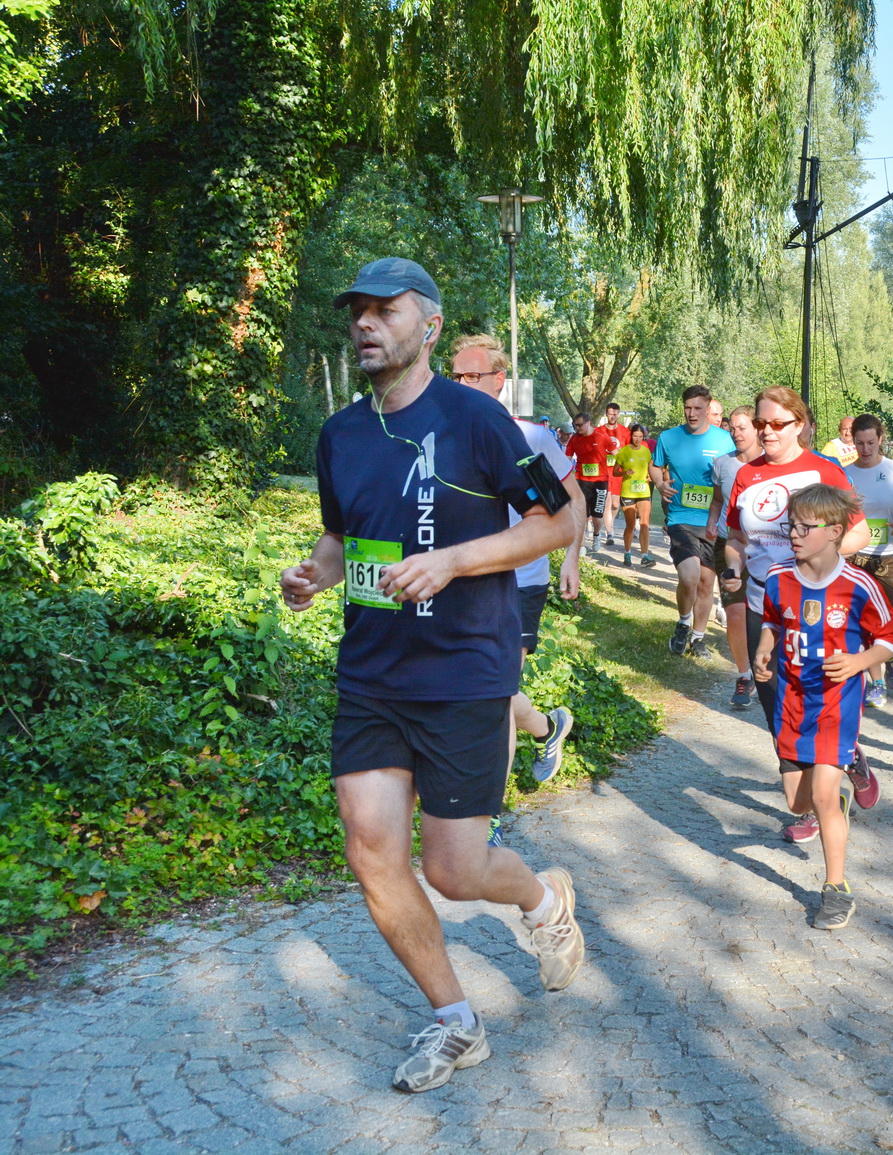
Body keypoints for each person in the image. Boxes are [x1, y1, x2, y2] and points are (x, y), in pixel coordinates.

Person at [279, 258, 584, 1094]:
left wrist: (452, 560)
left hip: (464, 673)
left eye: (386, 309)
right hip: (373, 675)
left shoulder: (478, 419)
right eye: (358, 311)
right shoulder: (341, 434)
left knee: (453, 869)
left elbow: (560, 521)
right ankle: (456, 1020)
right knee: (371, 849)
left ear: (430, 326)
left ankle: (543, 900)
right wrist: (313, 575)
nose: (365, 323)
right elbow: (342, 539)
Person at [722, 387, 878, 839]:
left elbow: (860, 533)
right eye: (761, 423)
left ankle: (835, 771)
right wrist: (732, 567)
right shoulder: (746, 474)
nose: (767, 431)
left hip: (816, 608)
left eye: (777, 424)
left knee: (817, 699)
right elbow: (735, 538)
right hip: (763, 605)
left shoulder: (824, 470)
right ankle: (814, 797)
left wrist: (817, 563)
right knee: (777, 707)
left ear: (800, 425)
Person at [753, 484, 893, 930]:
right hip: (791, 703)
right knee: (799, 803)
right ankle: (844, 779)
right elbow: (773, 618)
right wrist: (765, 647)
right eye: (791, 526)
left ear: (835, 531)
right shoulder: (778, 576)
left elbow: (891, 639)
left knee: (821, 797)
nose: (794, 534)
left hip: (837, 704)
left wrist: (859, 661)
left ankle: (836, 889)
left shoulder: (858, 585)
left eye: (805, 527)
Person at [449, 334, 582, 798]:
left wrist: (571, 559)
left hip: (519, 584)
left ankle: (489, 815)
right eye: (455, 376)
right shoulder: (443, 437)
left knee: (494, 695)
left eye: (472, 376)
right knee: (478, 688)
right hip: (462, 581)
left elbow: (570, 502)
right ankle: (547, 727)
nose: (460, 385)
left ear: (499, 380)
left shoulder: (531, 438)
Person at [651, 385, 735, 657]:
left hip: (713, 521)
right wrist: (660, 483)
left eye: (698, 408)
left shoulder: (725, 440)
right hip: (681, 518)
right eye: (688, 407)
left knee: (706, 583)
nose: (692, 413)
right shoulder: (669, 437)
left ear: (708, 409)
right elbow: (655, 465)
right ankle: (683, 622)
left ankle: (698, 638)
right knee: (689, 576)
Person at [842, 414, 893, 706]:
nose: (865, 449)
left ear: (880, 439)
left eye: (871, 443)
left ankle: (889, 655)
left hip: (890, 555)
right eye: (859, 443)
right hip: (855, 555)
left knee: (890, 618)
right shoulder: (845, 474)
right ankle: (876, 683)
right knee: (863, 618)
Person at [711, 405, 762, 709]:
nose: (736, 433)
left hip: (765, 547)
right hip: (729, 544)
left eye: (742, 428)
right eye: (732, 428)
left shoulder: (772, 464)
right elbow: (718, 500)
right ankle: (744, 675)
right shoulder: (723, 464)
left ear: (757, 428)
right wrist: (711, 521)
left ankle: (767, 667)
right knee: (735, 612)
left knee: (765, 613)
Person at [566, 412, 611, 559]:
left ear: (588, 423)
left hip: (600, 481)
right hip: (582, 480)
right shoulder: (574, 439)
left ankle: (596, 535)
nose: (577, 428)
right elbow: (567, 458)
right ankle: (582, 544)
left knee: (597, 516)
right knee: (582, 515)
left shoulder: (601, 436)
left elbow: (616, 452)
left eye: (580, 425)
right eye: (575, 425)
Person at [615, 424, 655, 567]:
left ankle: (645, 556)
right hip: (628, 492)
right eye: (635, 436)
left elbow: (651, 468)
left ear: (644, 437)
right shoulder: (624, 452)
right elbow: (615, 472)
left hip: (643, 491)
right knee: (631, 526)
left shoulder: (646, 452)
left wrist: (650, 476)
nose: (637, 439)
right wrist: (624, 473)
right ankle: (627, 553)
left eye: (640, 437)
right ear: (631, 436)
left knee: (644, 524)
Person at [598, 402, 628, 547]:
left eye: (615, 414)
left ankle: (611, 523)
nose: (613, 416)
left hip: (618, 472)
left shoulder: (625, 432)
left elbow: (628, 451)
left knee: (615, 504)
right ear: (606, 414)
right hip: (603, 471)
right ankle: (609, 532)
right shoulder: (599, 431)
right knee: (607, 502)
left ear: (619, 414)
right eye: (610, 414)